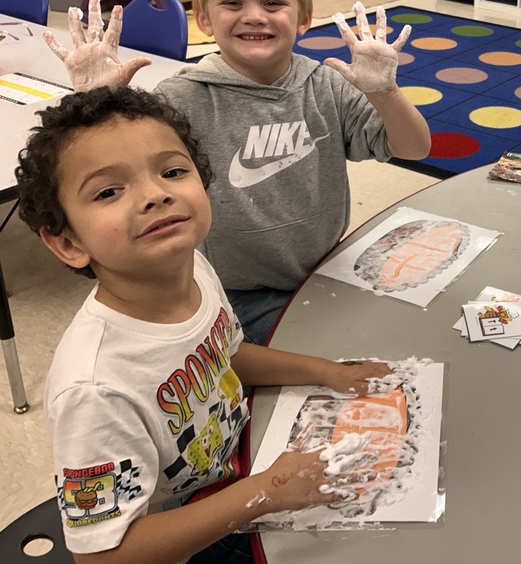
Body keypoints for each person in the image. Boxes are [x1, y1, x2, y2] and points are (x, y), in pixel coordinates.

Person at [16, 86, 392, 564]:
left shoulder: (194, 267)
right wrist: (269, 490)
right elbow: (103, 557)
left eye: (172, 172)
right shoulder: (93, 391)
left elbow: (226, 355)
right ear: (69, 243)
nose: (156, 195)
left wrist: (328, 372)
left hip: (237, 470)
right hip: (192, 538)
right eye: (108, 191)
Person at [43, 0, 432, 345]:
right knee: (320, 358)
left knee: (397, 335)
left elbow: (414, 147)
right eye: (232, 3)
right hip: (235, 289)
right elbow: (119, 167)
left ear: (304, 17)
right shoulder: (182, 96)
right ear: (204, 19)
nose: (254, 16)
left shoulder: (326, 85)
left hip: (325, 267)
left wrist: (384, 92)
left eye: (273, 2)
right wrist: (97, 102)